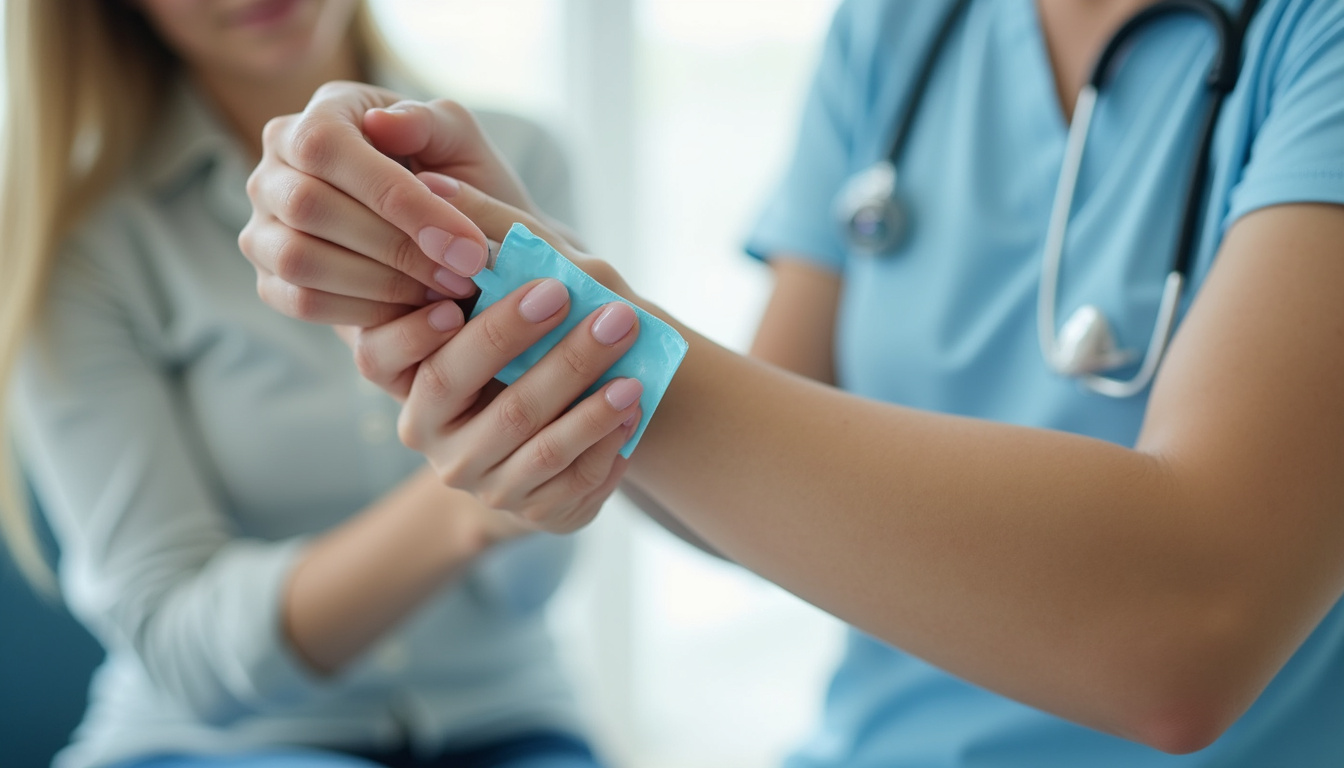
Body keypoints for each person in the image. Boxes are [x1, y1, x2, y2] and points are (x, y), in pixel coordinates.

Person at [239, 0, 1344, 765]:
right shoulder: (903, 25)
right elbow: (754, 497)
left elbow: (1187, 627)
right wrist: (507, 297)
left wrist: (594, 343)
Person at [0, 1, 605, 767]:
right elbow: (178, 647)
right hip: (211, 744)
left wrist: (541, 473)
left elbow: (534, 577)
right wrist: (479, 496)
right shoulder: (80, 241)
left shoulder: (519, 157)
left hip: (507, 718)